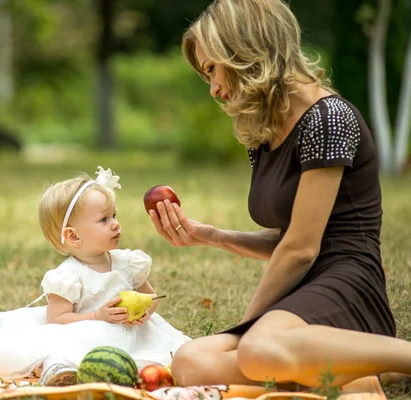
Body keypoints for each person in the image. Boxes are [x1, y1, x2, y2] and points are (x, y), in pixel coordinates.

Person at [147, 0, 411, 389]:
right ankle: (358, 378)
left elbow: (302, 248)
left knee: (256, 350)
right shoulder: (266, 130)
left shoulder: (328, 118)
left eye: (212, 69)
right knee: (192, 362)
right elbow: (291, 237)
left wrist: (243, 330)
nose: (215, 88)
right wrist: (213, 236)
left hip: (347, 282)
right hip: (304, 287)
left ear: (244, 50)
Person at [0, 166, 190, 385]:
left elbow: (151, 297)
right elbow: (57, 319)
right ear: (73, 236)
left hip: (133, 333)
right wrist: (98, 316)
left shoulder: (127, 263)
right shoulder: (68, 276)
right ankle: (58, 370)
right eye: (104, 220)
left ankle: (143, 373)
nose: (116, 224)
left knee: (164, 354)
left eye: (114, 215)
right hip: (85, 333)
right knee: (59, 348)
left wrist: (145, 311)